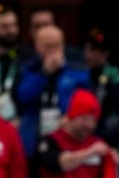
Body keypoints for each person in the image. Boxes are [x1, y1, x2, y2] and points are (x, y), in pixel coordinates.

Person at [14, 24, 90, 156]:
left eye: (57, 45)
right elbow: (23, 97)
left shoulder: (78, 71)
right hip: (34, 134)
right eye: (48, 46)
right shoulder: (28, 69)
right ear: (37, 47)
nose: (53, 51)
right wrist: (44, 73)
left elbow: (87, 104)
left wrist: (71, 116)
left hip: (67, 135)